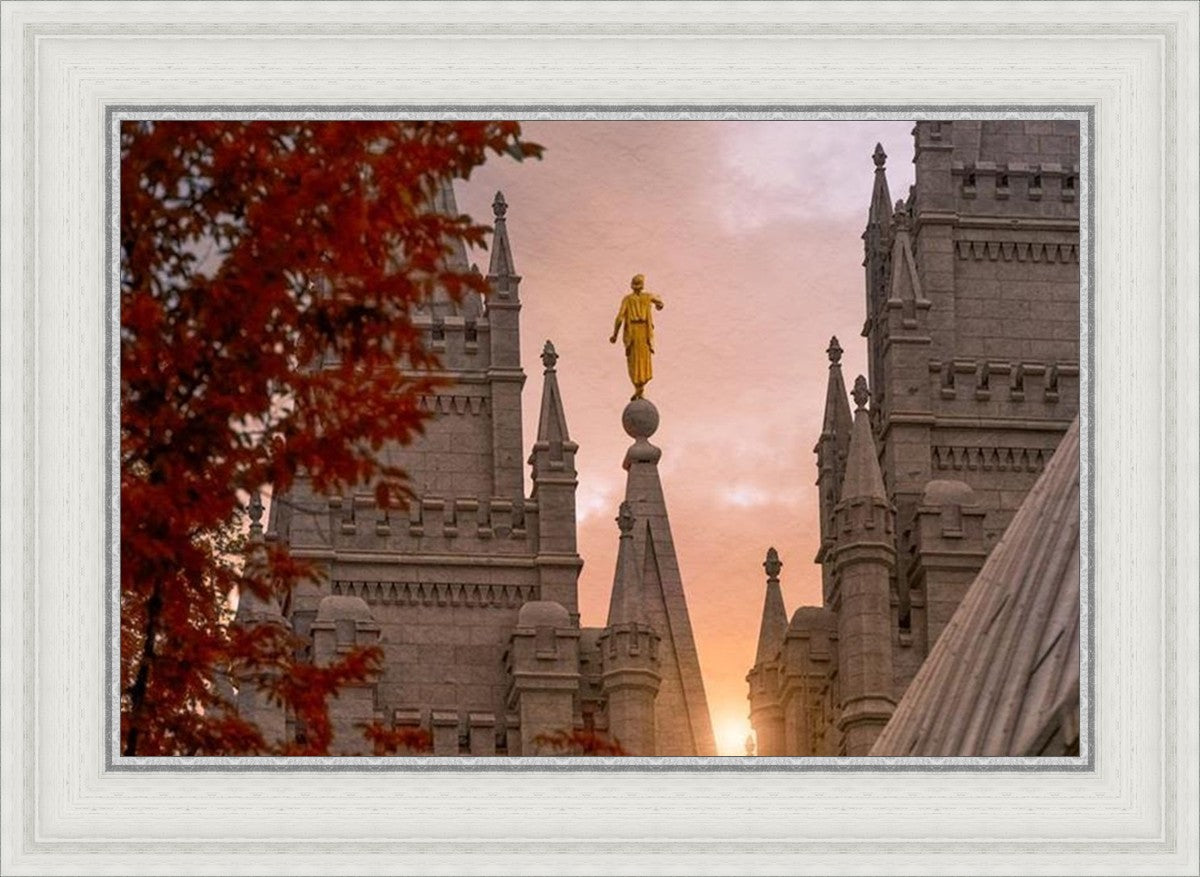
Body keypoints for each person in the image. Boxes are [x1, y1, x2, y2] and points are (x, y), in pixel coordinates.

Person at [609, 273, 665, 400]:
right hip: (641, 333)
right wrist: (658, 305)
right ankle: (639, 391)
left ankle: (639, 390)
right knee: (639, 362)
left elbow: (619, 318)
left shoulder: (628, 299)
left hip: (636, 333)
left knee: (635, 363)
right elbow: (660, 303)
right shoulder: (646, 297)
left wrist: (614, 335)